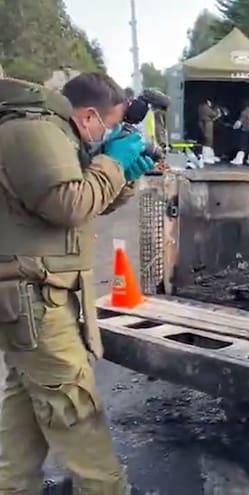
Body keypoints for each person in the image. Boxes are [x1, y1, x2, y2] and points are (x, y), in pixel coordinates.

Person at [0, 73, 155, 493]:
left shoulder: (52, 134)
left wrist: (122, 174)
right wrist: (113, 163)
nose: (108, 134)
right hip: (37, 304)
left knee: (24, 424)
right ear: (88, 116)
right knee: (77, 415)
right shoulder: (32, 132)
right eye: (109, 124)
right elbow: (71, 204)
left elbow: (90, 201)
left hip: (37, 301)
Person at [230, 99, 249, 166]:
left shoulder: (244, 112)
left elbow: (239, 123)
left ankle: (239, 160)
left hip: (245, 130)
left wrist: (233, 127)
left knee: (243, 146)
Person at [197, 99, 220, 163]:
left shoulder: (200, 107)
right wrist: (217, 111)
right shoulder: (205, 107)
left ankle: (208, 156)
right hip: (207, 124)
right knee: (208, 140)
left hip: (204, 123)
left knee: (206, 140)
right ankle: (206, 157)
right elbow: (213, 114)